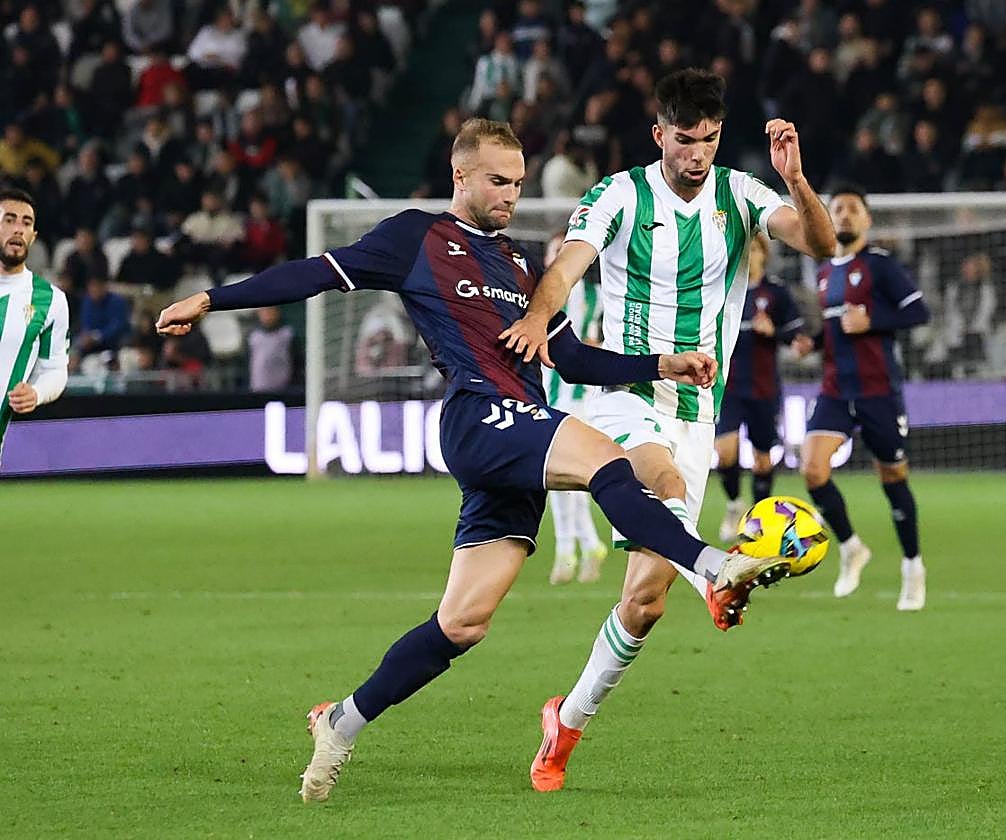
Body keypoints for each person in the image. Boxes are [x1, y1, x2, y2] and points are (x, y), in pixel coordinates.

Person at [155, 118, 799, 803]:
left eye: (518, 183)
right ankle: (712, 566)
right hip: (478, 416)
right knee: (608, 459)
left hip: (514, 441)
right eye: (497, 180)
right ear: (459, 176)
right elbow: (314, 274)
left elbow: (571, 358)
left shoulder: (519, 263)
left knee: (463, 624)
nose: (510, 195)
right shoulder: (414, 237)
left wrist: (659, 363)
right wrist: (211, 297)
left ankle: (342, 720)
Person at [499, 68, 836, 792]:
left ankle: (567, 720)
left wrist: (797, 179)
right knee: (665, 482)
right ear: (660, 135)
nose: (697, 154)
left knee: (644, 602)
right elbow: (567, 267)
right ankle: (718, 573)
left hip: (696, 408)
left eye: (710, 140)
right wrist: (535, 316)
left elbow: (822, 243)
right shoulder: (620, 194)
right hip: (624, 387)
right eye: (685, 140)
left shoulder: (742, 195)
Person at [796, 187, 930, 611]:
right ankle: (851, 546)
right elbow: (838, 330)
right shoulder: (823, 273)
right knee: (813, 470)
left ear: (868, 221)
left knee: (893, 479)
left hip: (878, 391)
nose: (845, 216)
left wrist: (874, 320)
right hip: (836, 388)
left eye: (854, 209)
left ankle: (912, 567)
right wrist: (813, 342)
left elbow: (918, 312)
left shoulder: (880, 266)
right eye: (837, 209)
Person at [715, 232, 807, 542]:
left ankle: (756, 518)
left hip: (764, 387)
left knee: (763, 459)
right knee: (725, 453)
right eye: (745, 249)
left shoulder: (776, 293)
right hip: (728, 387)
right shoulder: (723, 290)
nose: (750, 255)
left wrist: (775, 332)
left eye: (755, 249)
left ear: (763, 254)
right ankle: (733, 504)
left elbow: (796, 337)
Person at [541, 230, 608, 585]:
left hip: (581, 398)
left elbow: (601, 340)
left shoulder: (593, 297)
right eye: (552, 251)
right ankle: (574, 548)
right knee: (557, 479)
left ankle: (575, 548)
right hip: (551, 396)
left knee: (572, 476)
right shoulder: (542, 298)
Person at [0, 188, 70, 463]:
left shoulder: (50, 300)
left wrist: (37, 393)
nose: (18, 229)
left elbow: (55, 369)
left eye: (26, 223)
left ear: (34, 236)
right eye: (9, 219)